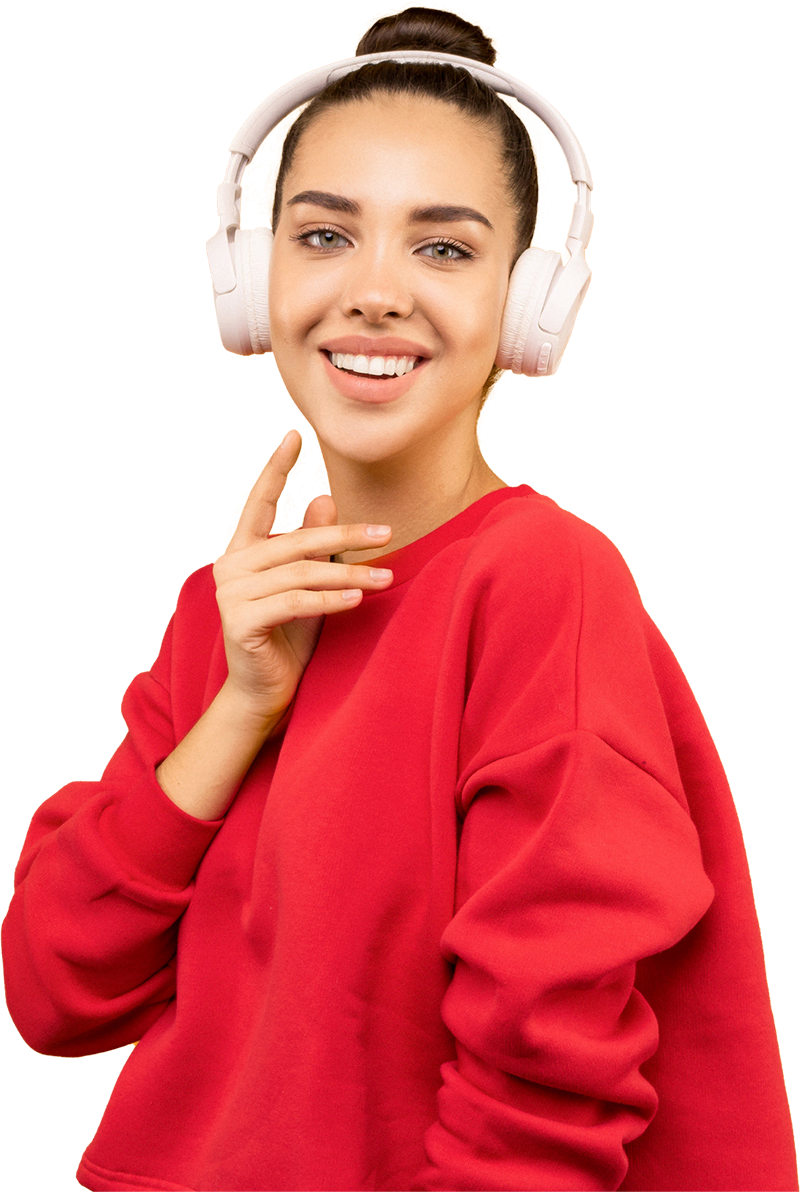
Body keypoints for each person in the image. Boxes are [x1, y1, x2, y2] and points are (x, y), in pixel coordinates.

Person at [1, 6, 796, 1191]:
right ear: (250, 280)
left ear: (529, 307)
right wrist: (236, 708)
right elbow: (54, 993)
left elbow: (542, 1087)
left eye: (442, 247)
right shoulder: (227, 608)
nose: (373, 293)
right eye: (324, 236)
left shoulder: (541, 584)